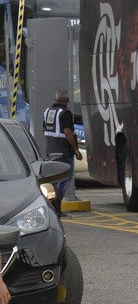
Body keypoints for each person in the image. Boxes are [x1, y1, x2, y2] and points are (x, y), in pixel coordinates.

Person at [42, 89, 82, 217]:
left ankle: (53, 207)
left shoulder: (47, 111)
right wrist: (76, 149)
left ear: (55, 99)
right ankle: (54, 206)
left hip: (50, 151)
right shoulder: (65, 113)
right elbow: (68, 132)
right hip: (64, 153)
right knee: (65, 179)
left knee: (53, 181)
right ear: (68, 101)